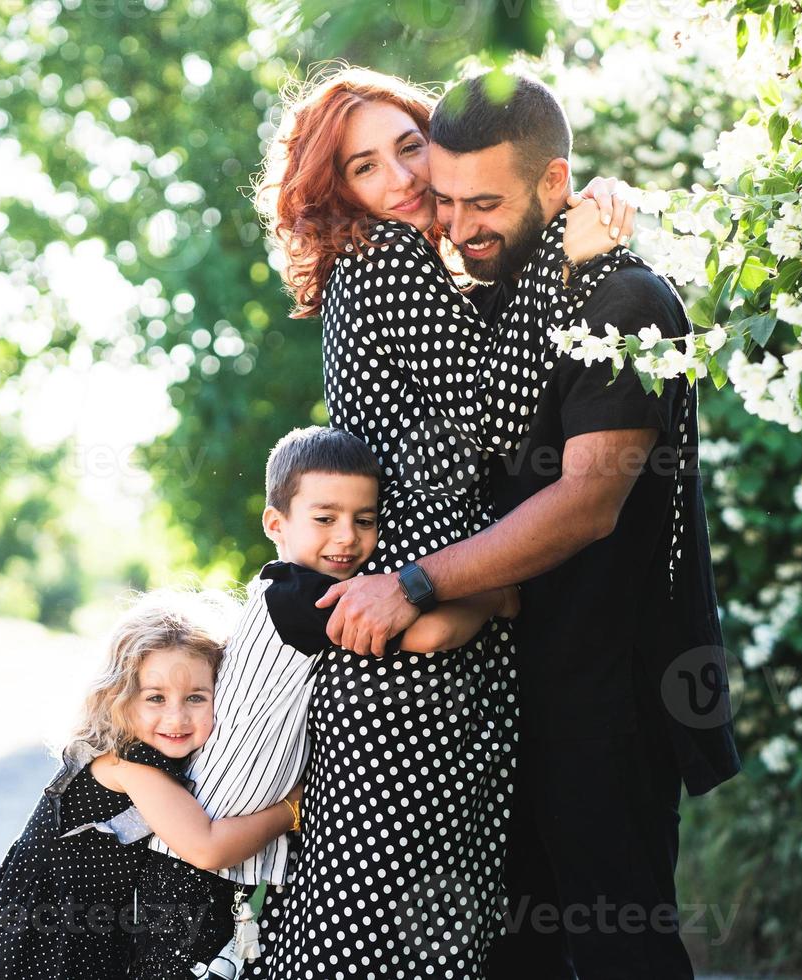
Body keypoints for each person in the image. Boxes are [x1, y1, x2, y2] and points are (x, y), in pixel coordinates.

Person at [315, 73, 743, 978]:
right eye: (447, 199)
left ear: (556, 185)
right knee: (516, 961)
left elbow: (588, 501)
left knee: (622, 953)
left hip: (605, 699)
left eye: (483, 202)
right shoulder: (485, 291)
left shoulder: (627, 305)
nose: (458, 223)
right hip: (498, 694)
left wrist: (419, 584)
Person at [247, 64, 635, 979]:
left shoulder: (420, 263)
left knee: (436, 916)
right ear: (335, 195)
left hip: (444, 592)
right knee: (401, 922)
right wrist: (569, 254)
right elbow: (501, 423)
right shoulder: (385, 262)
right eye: (365, 168)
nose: (402, 180)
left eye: (410, 148)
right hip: (417, 613)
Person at [132, 425, 520, 979]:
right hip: (199, 857)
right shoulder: (303, 597)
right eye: (325, 518)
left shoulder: (281, 591)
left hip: (231, 855)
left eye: (365, 520)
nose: (347, 537)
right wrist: (493, 593)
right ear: (275, 524)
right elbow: (434, 636)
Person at [0, 591, 302, 980]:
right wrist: (290, 811)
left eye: (196, 697)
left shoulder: (147, 755)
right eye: (155, 698)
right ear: (120, 700)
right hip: (50, 932)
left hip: (82, 927)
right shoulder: (129, 762)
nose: (176, 718)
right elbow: (206, 847)